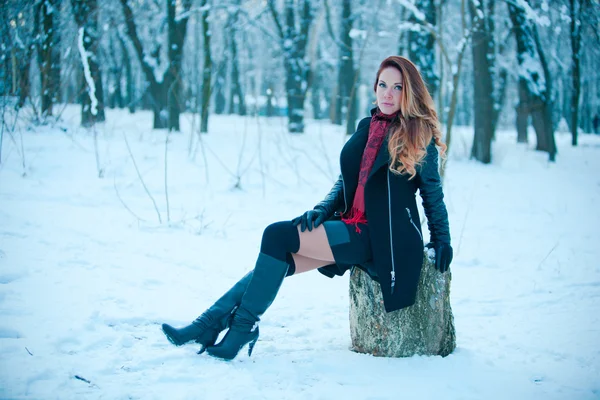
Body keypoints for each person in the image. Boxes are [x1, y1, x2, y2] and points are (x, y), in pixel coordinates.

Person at [161, 56, 453, 361]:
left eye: (397, 87)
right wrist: (322, 210)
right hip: (352, 226)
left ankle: (237, 327)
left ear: (410, 92)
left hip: (384, 240)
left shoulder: (419, 134)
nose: (388, 94)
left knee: (276, 236)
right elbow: (345, 182)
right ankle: (208, 324)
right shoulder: (367, 126)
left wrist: (441, 239)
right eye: (383, 85)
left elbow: (432, 194)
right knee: (280, 258)